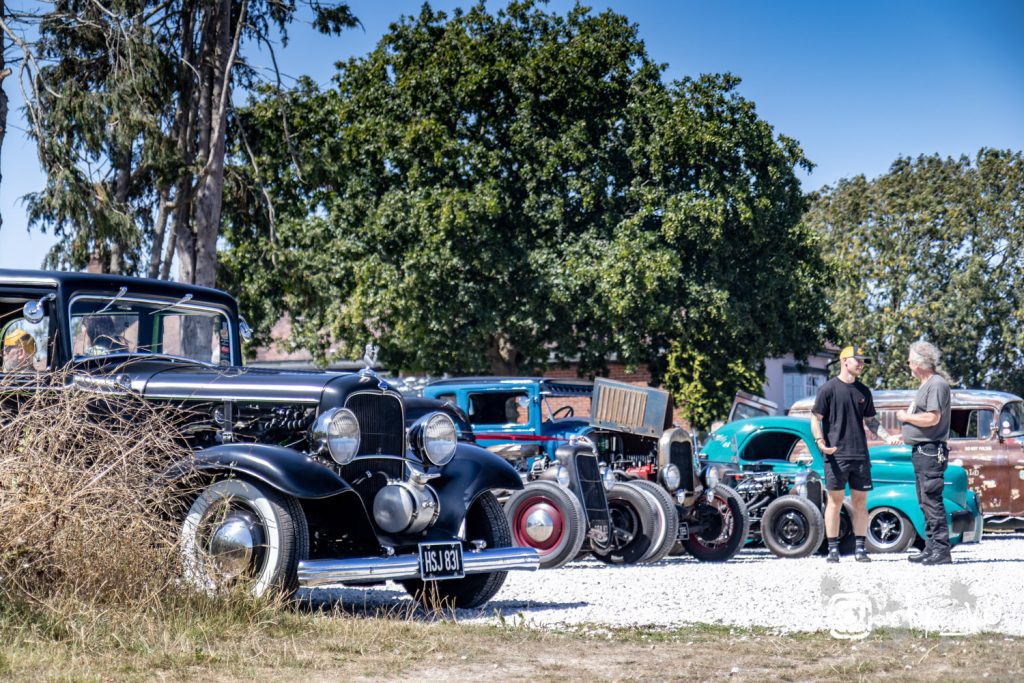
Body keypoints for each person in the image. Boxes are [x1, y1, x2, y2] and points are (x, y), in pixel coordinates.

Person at [811, 345, 896, 563]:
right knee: (834, 501)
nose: (861, 364)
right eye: (857, 360)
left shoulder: (864, 391)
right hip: (835, 455)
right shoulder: (828, 389)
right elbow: (815, 418)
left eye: (863, 361)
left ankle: (860, 548)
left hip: (860, 455)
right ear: (844, 361)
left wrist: (888, 437)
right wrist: (821, 442)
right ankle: (832, 549)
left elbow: (871, 422)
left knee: (860, 502)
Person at [893, 341, 953, 565]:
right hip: (922, 450)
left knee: (932, 499)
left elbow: (932, 418)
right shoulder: (927, 384)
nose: (908, 363)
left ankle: (941, 550)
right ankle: (931, 546)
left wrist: (905, 418)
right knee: (924, 500)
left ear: (918, 363)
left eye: (909, 359)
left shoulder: (936, 385)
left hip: (930, 450)